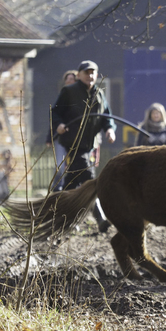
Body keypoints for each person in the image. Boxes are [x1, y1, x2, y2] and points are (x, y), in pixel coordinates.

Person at [51, 60, 116, 232]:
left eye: (93, 72)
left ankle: (63, 219)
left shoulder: (99, 94)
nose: (91, 76)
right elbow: (55, 112)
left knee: (70, 184)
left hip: (90, 147)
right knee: (89, 179)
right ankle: (100, 217)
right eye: (87, 72)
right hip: (73, 145)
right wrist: (58, 124)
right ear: (79, 75)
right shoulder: (69, 92)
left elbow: (106, 117)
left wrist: (110, 130)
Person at [46, 70, 77, 192]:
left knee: (74, 164)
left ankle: (71, 187)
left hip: (75, 137)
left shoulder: (80, 98)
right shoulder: (62, 98)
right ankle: (57, 187)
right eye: (67, 79)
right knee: (59, 164)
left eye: (71, 79)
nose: (69, 81)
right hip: (61, 138)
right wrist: (50, 138)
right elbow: (54, 118)